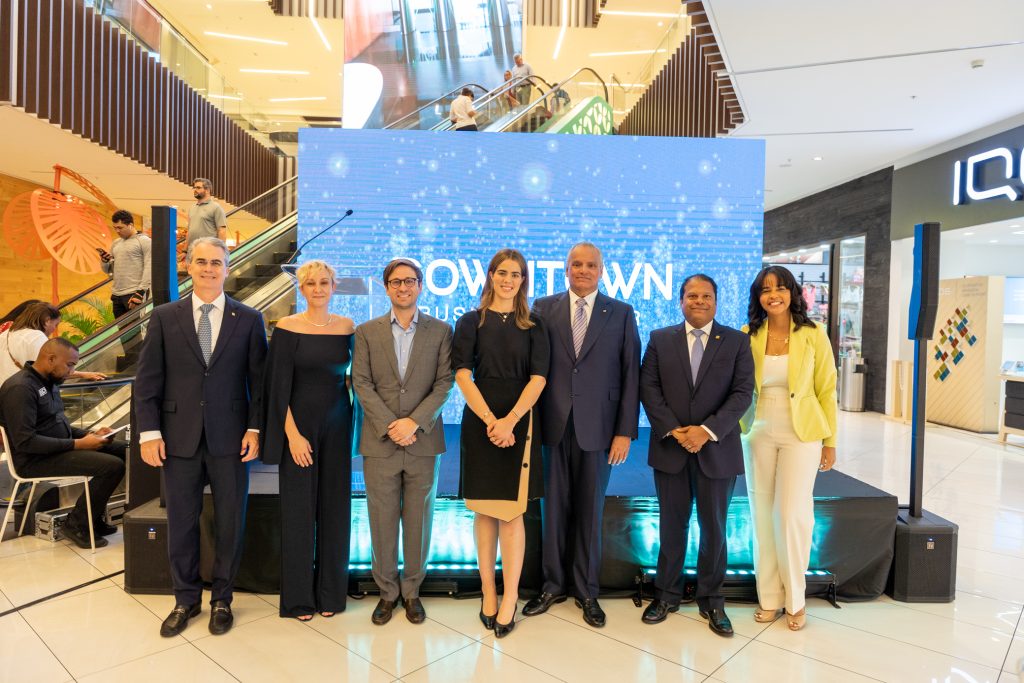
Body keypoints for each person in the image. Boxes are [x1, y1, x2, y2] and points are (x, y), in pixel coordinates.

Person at [134, 236, 268, 638]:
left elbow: (260, 383)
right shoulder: (164, 317)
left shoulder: (249, 318)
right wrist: (149, 432)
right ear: (189, 266)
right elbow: (147, 381)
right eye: (202, 261)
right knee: (181, 523)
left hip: (232, 440)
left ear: (227, 268)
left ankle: (222, 599)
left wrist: (255, 428)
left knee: (230, 523)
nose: (209, 269)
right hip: (178, 440)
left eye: (216, 262)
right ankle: (185, 599)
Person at [524, 242, 640, 629]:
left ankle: (587, 591)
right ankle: (552, 586)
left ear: (602, 270)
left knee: (591, 512)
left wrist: (625, 431)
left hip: (601, 429)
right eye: (577, 264)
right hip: (552, 425)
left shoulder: (621, 312)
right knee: (552, 510)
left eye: (591, 265)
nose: (584, 270)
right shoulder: (543, 308)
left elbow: (631, 374)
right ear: (566, 268)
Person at [638, 274, 754, 637]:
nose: (699, 301)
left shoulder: (736, 341)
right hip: (670, 448)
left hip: (717, 449)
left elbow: (742, 392)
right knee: (672, 526)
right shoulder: (660, 339)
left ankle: (712, 600)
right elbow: (648, 387)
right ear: (681, 300)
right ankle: (666, 594)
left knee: (714, 529)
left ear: (716, 302)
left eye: (706, 296)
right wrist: (675, 430)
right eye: (692, 295)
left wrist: (706, 431)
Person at [352, 258, 454, 626]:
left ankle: (411, 592)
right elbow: (361, 382)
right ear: (386, 288)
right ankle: (387, 592)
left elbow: (444, 382)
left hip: (423, 441)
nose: (403, 287)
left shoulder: (441, 331)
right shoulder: (366, 331)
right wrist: (391, 424)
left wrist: (413, 422)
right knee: (380, 520)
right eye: (396, 282)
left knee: (418, 520)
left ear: (420, 286)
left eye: (410, 281)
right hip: (380, 441)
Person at [453, 249, 548, 638]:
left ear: (523, 280)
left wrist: (510, 421)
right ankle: (488, 592)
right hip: (481, 421)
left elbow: (539, 378)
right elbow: (462, 374)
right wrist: (492, 421)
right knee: (484, 511)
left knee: (511, 513)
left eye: (516, 274)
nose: (509, 280)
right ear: (491, 275)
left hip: (520, 422)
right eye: (502, 273)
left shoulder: (535, 324)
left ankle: (510, 598)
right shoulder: (470, 321)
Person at [741, 265, 838, 632]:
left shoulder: (813, 334)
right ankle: (769, 598)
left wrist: (830, 441)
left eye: (780, 288)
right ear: (758, 297)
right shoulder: (748, 334)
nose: (773, 295)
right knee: (762, 515)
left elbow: (827, 389)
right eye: (766, 290)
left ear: (792, 292)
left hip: (803, 431)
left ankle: (796, 600)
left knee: (791, 514)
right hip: (757, 430)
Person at [261, 260, 355, 621]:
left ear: (334, 286)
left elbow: (352, 379)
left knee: (335, 510)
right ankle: (299, 599)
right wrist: (293, 436)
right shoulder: (287, 327)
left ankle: (331, 594)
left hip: (338, 427)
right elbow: (276, 387)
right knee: (299, 513)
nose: (318, 289)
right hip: (298, 430)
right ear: (301, 289)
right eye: (311, 283)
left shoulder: (347, 327)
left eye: (324, 283)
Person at [0, 337, 126, 549]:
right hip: (33, 460)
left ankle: (92, 517)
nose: (72, 371)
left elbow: (60, 426)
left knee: (123, 450)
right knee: (112, 466)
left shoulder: (50, 383)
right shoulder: (20, 388)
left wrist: (91, 435)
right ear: (50, 359)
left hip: (55, 450)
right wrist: (79, 444)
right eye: (69, 365)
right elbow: (26, 442)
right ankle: (76, 524)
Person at [0, 303, 106, 385]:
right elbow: (51, 370)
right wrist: (84, 375)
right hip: (22, 392)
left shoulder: (8, 332)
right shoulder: (36, 337)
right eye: (56, 324)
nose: (54, 329)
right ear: (47, 321)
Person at [99, 210, 151, 318]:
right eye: (115, 228)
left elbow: (150, 267)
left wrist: (140, 292)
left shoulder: (143, 241)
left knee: (136, 328)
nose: (117, 231)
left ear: (130, 225)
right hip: (117, 295)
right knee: (121, 329)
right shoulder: (116, 243)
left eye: (120, 227)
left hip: (134, 293)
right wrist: (104, 261)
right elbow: (108, 270)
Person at [186, 178, 228, 249]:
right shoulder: (192, 208)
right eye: (194, 187)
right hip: (192, 250)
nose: (195, 190)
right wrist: (185, 250)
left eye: (198, 188)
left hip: (208, 250)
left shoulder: (216, 207)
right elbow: (189, 231)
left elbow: (222, 231)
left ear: (207, 190)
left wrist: (220, 250)